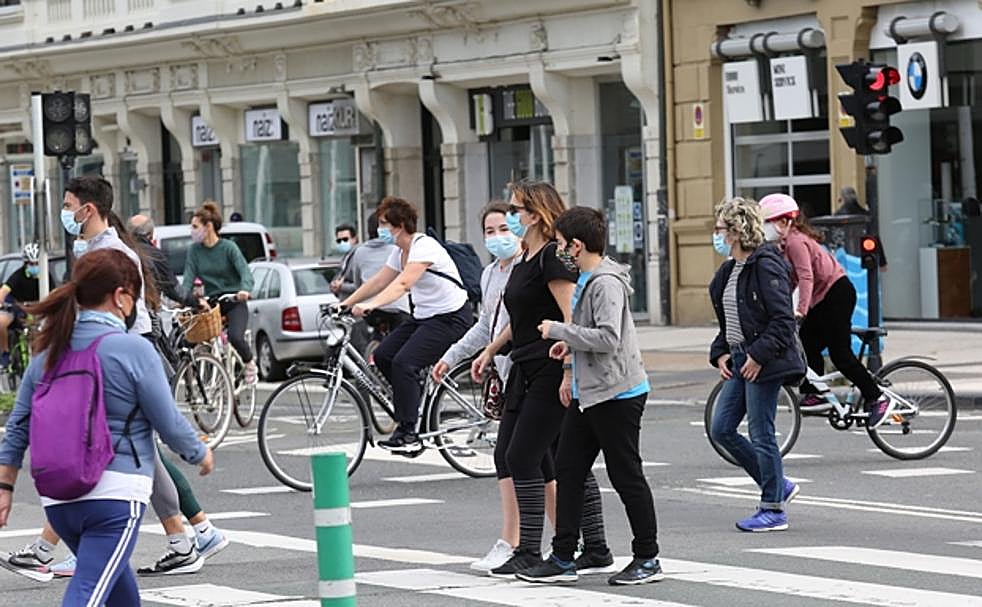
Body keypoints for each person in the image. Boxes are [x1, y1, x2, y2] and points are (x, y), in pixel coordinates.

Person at [0, 248, 214, 606]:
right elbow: (169, 422)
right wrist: (199, 453)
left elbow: (18, 427)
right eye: (134, 296)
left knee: (119, 592)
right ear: (120, 297)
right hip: (115, 497)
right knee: (88, 594)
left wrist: (4, 487)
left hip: (58, 500)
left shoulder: (47, 353)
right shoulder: (133, 350)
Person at [471, 181, 613, 578]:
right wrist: (489, 350)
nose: (510, 217)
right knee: (553, 459)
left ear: (535, 214)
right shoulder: (525, 258)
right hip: (525, 367)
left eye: (516, 211)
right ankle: (596, 548)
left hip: (552, 369)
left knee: (524, 456)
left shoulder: (552, 256)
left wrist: (569, 368)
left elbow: (571, 317)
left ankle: (530, 550)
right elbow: (521, 321)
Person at [517, 207, 661, 585]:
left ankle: (647, 557)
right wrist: (569, 349)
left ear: (577, 245)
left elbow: (609, 338)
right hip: (592, 392)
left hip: (618, 392)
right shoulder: (588, 279)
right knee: (569, 470)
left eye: (563, 244)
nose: (560, 251)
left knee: (625, 474)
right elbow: (594, 336)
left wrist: (560, 332)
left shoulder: (604, 283)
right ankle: (564, 555)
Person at [432, 201, 527, 572]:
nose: (497, 237)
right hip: (505, 375)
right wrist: (452, 356)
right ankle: (550, 540)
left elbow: (520, 322)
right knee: (525, 460)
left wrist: (490, 351)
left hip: (528, 371)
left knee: (521, 458)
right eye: (489, 231)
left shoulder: (528, 269)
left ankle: (528, 542)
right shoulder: (490, 274)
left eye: (504, 228)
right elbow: (485, 322)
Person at [340, 197, 473, 451]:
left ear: (399, 225)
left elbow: (403, 284)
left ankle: (409, 432)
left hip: (451, 318)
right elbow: (380, 280)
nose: (379, 230)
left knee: (404, 363)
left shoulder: (424, 246)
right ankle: (412, 400)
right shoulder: (399, 251)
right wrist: (346, 303)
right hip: (424, 317)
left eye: (383, 224)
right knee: (383, 356)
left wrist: (370, 305)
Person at [759, 193, 897, 429]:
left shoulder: (795, 241)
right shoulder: (782, 247)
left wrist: (801, 311)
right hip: (823, 298)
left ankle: (877, 398)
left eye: (767, 222)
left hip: (837, 293)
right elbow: (790, 281)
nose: (765, 229)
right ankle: (815, 394)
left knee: (840, 354)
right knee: (805, 343)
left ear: (783, 222)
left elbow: (805, 276)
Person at [708, 197, 805, 533]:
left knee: (761, 432)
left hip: (765, 360)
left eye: (720, 228)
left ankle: (773, 508)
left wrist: (756, 356)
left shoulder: (766, 264)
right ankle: (779, 484)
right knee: (721, 428)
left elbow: (783, 320)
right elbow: (729, 321)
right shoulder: (728, 271)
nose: (716, 234)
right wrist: (721, 351)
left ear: (735, 231)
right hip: (739, 358)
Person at [182, 201, 256, 384]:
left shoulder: (228, 248)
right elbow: (188, 277)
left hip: (233, 300)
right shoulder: (194, 251)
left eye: (195, 226)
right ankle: (196, 378)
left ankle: (249, 363)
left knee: (235, 336)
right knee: (191, 337)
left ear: (208, 227)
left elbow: (245, 272)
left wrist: (244, 290)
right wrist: (182, 297)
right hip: (212, 302)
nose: (192, 231)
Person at [0, 243, 54, 368]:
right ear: (25, 264)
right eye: (31, 264)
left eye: (37, 263)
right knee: (1, 322)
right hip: (17, 307)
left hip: (37, 309)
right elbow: (4, 291)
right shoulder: (18, 276)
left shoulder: (45, 275)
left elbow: (53, 292)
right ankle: (5, 353)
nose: (34, 267)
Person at [834, 186, 887, 271]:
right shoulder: (865, 216)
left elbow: (835, 242)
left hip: (845, 261)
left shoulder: (837, 218)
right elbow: (874, 236)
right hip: (864, 258)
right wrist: (882, 262)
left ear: (842, 198)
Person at [330, 223, 360, 299]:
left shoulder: (359, 255)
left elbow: (362, 284)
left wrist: (341, 286)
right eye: (339, 240)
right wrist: (334, 285)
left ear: (354, 239)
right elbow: (338, 278)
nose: (342, 243)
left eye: (345, 239)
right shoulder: (345, 257)